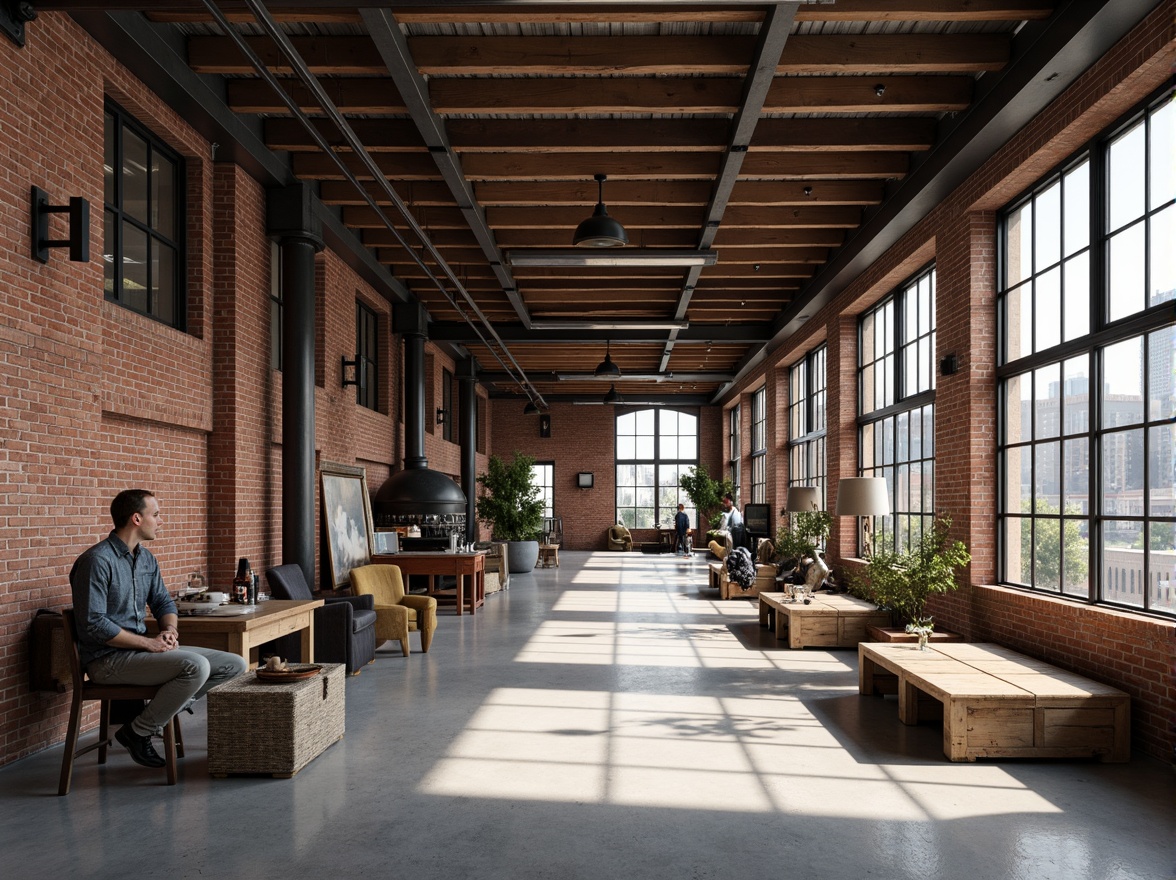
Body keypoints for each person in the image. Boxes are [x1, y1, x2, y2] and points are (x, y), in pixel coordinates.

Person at [69, 490, 248, 768]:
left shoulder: (146, 559)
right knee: (196, 667)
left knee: (234, 664)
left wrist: (169, 631)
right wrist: (148, 644)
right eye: (156, 514)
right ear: (137, 518)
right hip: (106, 661)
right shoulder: (97, 561)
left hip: (139, 655)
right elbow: (93, 624)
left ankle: (141, 725)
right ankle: (142, 730)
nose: (160, 521)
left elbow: (164, 602)